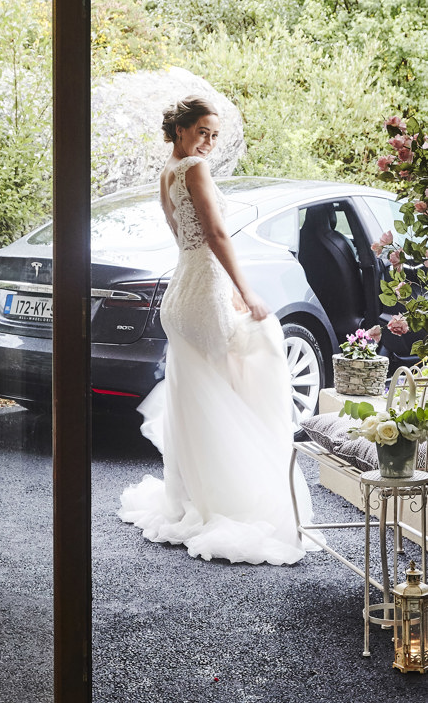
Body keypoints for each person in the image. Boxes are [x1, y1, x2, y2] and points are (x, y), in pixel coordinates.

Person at [118, 95, 320, 564]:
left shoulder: (166, 173)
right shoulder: (194, 169)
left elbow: (184, 238)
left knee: (204, 394)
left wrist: (224, 287)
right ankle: (232, 499)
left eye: (214, 135)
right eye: (203, 131)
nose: (208, 142)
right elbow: (216, 235)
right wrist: (245, 291)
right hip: (201, 290)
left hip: (184, 290)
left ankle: (196, 498)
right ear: (181, 130)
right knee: (254, 362)